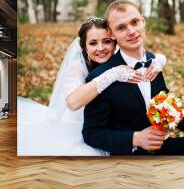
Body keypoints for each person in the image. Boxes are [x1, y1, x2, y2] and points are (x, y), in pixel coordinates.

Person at [82, 0, 184, 155]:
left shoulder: (153, 63)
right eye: (121, 27)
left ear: (143, 21)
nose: (131, 31)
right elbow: (91, 133)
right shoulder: (102, 77)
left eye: (135, 22)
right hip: (128, 154)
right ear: (111, 33)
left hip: (159, 148)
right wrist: (135, 139)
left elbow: (167, 107)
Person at [18, 16, 167, 156]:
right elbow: (72, 102)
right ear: (84, 47)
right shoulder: (78, 67)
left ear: (115, 41)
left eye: (106, 41)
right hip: (79, 128)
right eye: (93, 43)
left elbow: (142, 56)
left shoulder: (120, 59)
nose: (101, 48)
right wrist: (111, 75)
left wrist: (160, 59)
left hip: (114, 128)